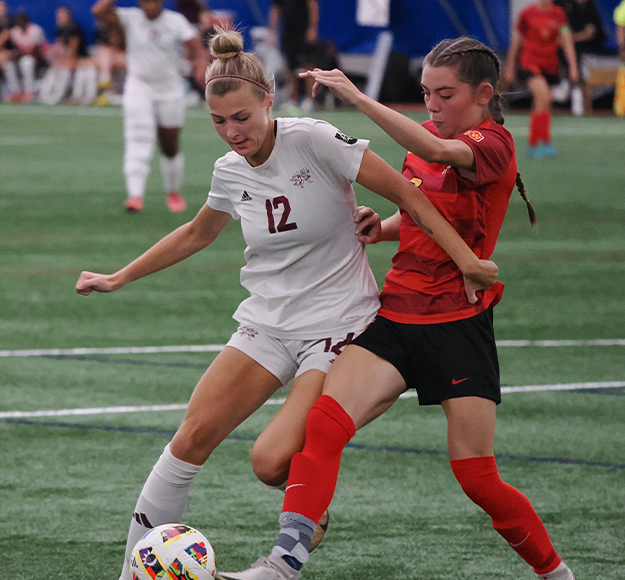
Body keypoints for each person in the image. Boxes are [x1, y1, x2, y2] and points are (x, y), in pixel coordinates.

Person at [76, 27, 498, 580]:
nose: (232, 133)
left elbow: (409, 194)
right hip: (267, 323)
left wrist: (466, 258)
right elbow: (197, 233)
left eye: (242, 118)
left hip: (338, 327)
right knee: (189, 439)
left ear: (268, 102)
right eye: (219, 122)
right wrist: (119, 277)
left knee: (270, 461)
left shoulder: (314, 139)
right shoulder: (229, 171)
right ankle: (133, 572)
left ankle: (306, 519)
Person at [219, 37, 575, 580]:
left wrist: (359, 99)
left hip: (458, 324)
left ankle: (556, 573)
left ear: (483, 94)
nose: (431, 105)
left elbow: (439, 158)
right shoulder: (426, 135)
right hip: (396, 316)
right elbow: (421, 205)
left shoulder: (494, 143)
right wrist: (380, 228)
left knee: (478, 478)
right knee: (323, 428)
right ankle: (284, 563)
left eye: (445, 94)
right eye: (425, 92)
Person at [91, 0, 207, 214]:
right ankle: (135, 196)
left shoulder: (175, 21)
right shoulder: (131, 17)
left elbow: (194, 43)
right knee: (137, 139)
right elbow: (98, 11)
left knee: (169, 145)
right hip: (139, 88)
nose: (148, 5)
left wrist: (201, 62)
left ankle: (173, 191)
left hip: (169, 89)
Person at [504, 0, 579, 158]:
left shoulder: (559, 14)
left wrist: (573, 66)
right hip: (529, 63)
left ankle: (534, 143)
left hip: (550, 65)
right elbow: (517, 40)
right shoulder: (527, 14)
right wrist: (510, 65)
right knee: (544, 96)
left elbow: (566, 40)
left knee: (542, 102)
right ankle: (544, 142)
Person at [554, 0, 606, 114]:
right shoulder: (561, 6)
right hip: (559, 52)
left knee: (579, 63)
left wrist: (570, 38)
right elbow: (560, 34)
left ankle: (574, 91)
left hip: (585, 51)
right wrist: (567, 39)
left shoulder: (590, 7)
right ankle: (565, 85)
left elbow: (590, 33)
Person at [267, 0, 319, 112]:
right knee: (291, 67)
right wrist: (272, 30)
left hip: (303, 31)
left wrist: (312, 27)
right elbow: (276, 8)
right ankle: (293, 100)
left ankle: (310, 99)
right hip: (288, 33)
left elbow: (312, 5)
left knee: (307, 65)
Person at [40, 6, 97, 106]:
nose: (59, 18)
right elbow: (59, 47)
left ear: (68, 16)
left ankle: (61, 97)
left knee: (65, 71)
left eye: (62, 15)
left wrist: (63, 62)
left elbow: (73, 53)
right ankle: (45, 96)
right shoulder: (59, 29)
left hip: (79, 60)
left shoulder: (74, 28)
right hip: (66, 61)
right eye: (58, 15)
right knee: (54, 69)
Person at [3, 8, 47, 104]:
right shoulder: (15, 32)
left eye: (23, 20)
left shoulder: (36, 30)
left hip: (38, 59)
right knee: (8, 64)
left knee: (26, 62)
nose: (21, 22)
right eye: (19, 20)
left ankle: (29, 92)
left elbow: (34, 50)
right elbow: (16, 49)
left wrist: (20, 52)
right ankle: (16, 91)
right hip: (21, 57)